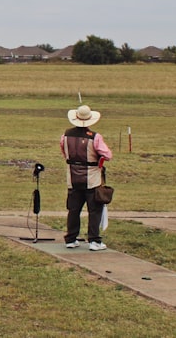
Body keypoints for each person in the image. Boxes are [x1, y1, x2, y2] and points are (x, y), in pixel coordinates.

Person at [60, 104, 113, 251]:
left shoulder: (65, 135)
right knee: (94, 210)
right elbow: (107, 155)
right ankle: (94, 240)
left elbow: (65, 153)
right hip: (92, 178)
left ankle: (70, 238)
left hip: (72, 177)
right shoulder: (95, 137)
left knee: (73, 209)